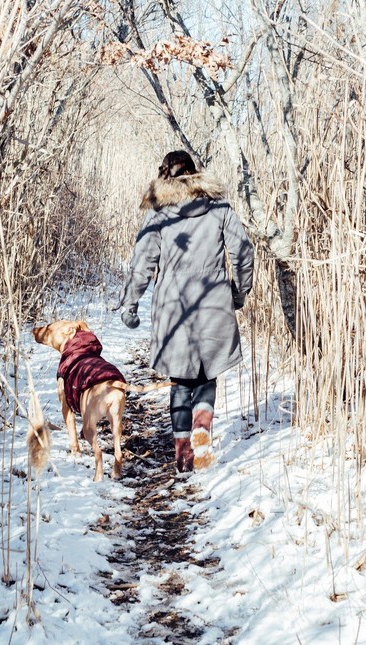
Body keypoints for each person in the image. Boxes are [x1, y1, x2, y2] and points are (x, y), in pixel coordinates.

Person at [117, 150, 255, 474]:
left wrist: (130, 301)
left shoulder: (158, 213)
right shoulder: (218, 207)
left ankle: (183, 454)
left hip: (172, 309)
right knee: (207, 375)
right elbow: (243, 252)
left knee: (180, 382)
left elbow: (142, 263)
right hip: (214, 303)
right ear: (195, 174)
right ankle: (202, 427)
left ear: (165, 175)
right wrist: (239, 292)